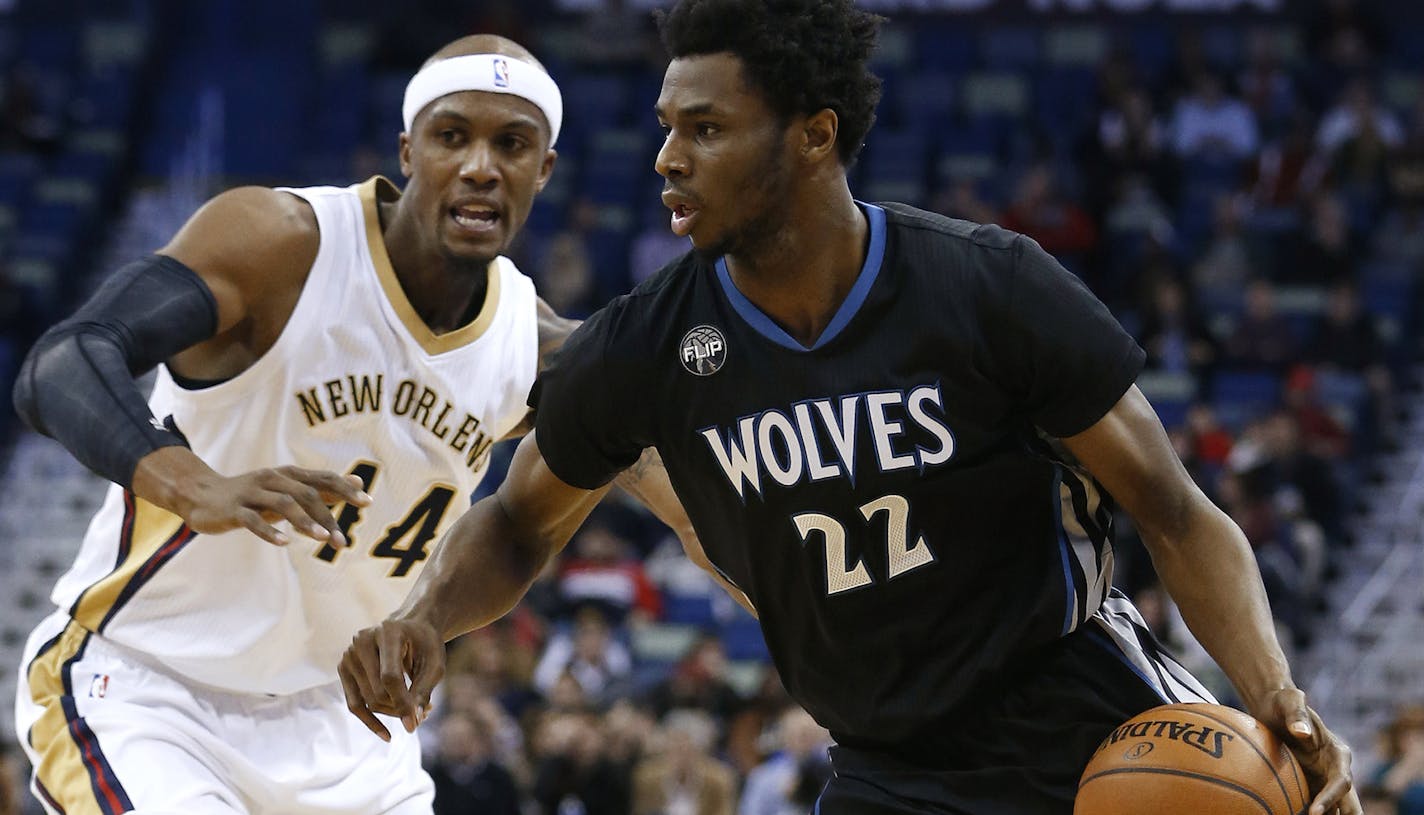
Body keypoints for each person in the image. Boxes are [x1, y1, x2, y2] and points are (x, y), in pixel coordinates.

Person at [340, 2, 1360, 813]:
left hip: (1079, 711)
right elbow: (519, 521)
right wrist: (428, 615)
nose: (667, 159)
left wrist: (1273, 692)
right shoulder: (647, 347)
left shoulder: (986, 287)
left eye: (705, 129)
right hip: (887, 761)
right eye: (664, 130)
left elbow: (1172, 508)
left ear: (813, 135)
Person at [9, 33, 699, 815]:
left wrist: (433, 619)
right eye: (452, 136)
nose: (480, 165)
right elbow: (61, 362)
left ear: (543, 169)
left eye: (511, 144)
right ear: (408, 151)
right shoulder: (282, 246)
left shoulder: (531, 349)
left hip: (343, 724)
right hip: (150, 689)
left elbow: (533, 527)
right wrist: (190, 481)